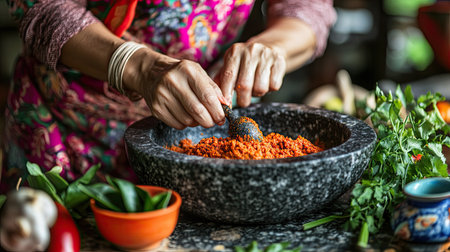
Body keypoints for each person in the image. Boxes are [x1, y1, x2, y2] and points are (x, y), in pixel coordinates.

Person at [2, 0, 336, 187]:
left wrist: (270, 48)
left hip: (191, 136)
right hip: (66, 128)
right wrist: (134, 66)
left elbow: (308, 10)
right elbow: (41, 7)